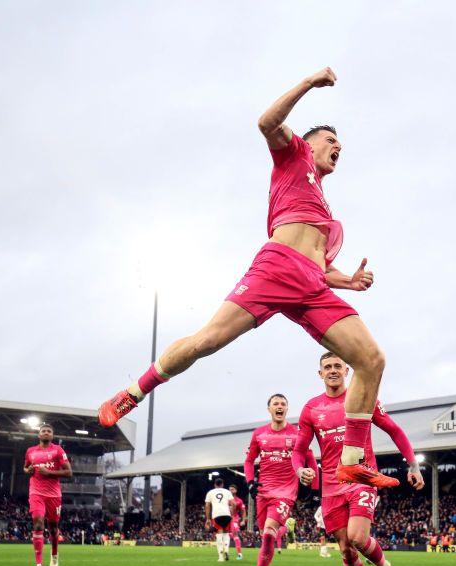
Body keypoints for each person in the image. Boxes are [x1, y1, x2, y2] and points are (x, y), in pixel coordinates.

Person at [97, 67, 395, 490]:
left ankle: (350, 461)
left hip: (311, 285)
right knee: (207, 341)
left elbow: (322, 268)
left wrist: (349, 281)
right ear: (309, 144)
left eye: (340, 144)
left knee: (371, 359)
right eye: (331, 140)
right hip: (276, 268)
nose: (338, 147)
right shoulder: (294, 157)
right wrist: (310, 83)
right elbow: (265, 122)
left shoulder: (327, 212)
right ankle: (133, 392)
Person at [279, 351, 424, 566]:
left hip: (362, 478)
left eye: (337, 366)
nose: (332, 370)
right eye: (327, 367)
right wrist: (301, 471)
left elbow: (395, 430)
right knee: (346, 550)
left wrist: (413, 465)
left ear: (347, 371)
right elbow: (298, 451)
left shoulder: (363, 399)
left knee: (358, 538)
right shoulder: (311, 409)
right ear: (319, 373)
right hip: (331, 486)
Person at [241, 394, 317, 566]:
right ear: (269, 409)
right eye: (276, 403)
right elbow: (249, 461)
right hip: (263, 493)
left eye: (283, 404)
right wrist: (250, 483)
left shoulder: (296, 434)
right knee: (267, 535)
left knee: (267, 535)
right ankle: (288, 528)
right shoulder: (259, 434)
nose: (279, 406)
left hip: (285, 493)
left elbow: (310, 458)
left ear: (287, 409)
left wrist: (314, 487)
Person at [23, 423, 72, 566]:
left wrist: (49, 472)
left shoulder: (58, 450)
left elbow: (69, 472)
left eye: (48, 431)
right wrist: (28, 470)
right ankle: (38, 564)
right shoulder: (30, 451)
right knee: (38, 523)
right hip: (36, 493)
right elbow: (25, 467)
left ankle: (55, 552)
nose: (45, 433)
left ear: (52, 435)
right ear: (39, 435)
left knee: (52, 528)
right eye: (43, 431)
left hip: (54, 495)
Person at [204, 478, 236, 562]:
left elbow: (207, 506)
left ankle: (221, 557)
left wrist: (208, 518)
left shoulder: (210, 492)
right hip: (227, 515)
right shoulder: (227, 492)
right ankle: (227, 550)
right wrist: (232, 513)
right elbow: (234, 503)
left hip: (216, 515)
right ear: (222, 484)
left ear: (214, 485)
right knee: (226, 533)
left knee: (219, 533)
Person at [227, 484, 246, 560]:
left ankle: (239, 554)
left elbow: (243, 511)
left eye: (232, 489)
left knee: (234, 534)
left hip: (234, 519)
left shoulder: (239, 500)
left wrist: (243, 520)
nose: (230, 491)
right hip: (226, 519)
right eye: (229, 489)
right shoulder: (225, 499)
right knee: (227, 535)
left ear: (236, 491)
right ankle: (226, 553)